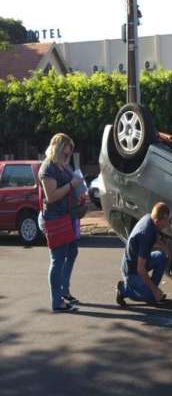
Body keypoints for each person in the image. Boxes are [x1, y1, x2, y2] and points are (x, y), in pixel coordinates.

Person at [39, 133, 84, 313]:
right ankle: (57, 301)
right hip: (54, 218)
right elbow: (51, 197)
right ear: (58, 148)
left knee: (72, 251)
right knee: (57, 259)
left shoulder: (62, 166)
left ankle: (63, 291)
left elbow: (69, 187)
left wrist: (80, 194)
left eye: (70, 152)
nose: (69, 155)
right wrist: (73, 185)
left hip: (66, 216)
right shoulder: (48, 168)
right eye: (67, 151)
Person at [116, 203, 171, 306]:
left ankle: (151, 291)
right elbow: (140, 269)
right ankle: (124, 289)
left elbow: (154, 239)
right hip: (131, 271)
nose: (167, 224)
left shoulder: (149, 218)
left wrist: (165, 248)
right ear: (157, 221)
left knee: (161, 257)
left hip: (139, 262)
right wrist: (155, 291)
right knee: (152, 296)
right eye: (166, 221)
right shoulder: (146, 234)